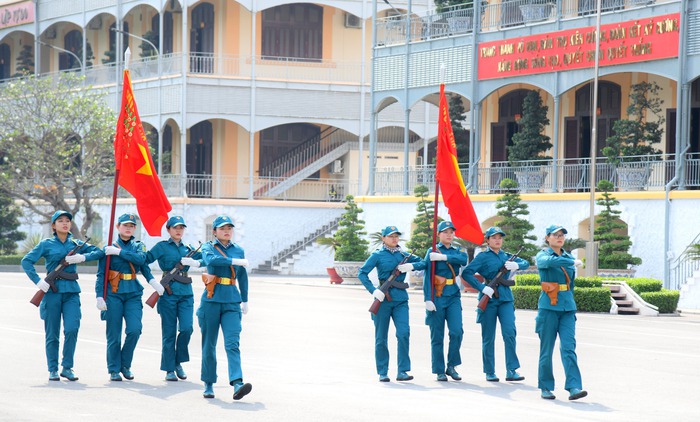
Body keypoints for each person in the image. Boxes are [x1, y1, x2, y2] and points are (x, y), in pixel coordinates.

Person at [21, 210, 103, 381]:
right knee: (52, 333)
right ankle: (52, 369)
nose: (65, 223)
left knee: (72, 329)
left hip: (72, 293)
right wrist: (38, 281)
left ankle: (67, 367)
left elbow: (99, 252)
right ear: (53, 225)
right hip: (51, 292)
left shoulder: (77, 243)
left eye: (67, 220)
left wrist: (82, 257)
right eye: (60, 221)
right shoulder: (46, 244)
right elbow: (26, 261)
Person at [95, 213, 163, 381]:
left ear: (134, 229)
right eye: (125, 225)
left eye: (131, 226)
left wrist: (119, 252)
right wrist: (99, 296)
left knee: (134, 329)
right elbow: (101, 275)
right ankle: (114, 369)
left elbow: (141, 260)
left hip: (132, 293)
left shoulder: (138, 246)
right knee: (114, 333)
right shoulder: (108, 248)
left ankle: (125, 364)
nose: (128, 228)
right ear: (118, 227)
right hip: (113, 293)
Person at [461, 226, 530, 383]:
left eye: (500, 237)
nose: (498, 240)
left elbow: (526, 262)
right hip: (489, 298)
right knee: (488, 337)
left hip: (505, 298)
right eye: (494, 237)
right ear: (487, 240)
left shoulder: (507, 256)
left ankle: (511, 370)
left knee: (510, 333)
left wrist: (517, 265)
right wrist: (482, 288)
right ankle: (490, 371)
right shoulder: (483, 257)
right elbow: (467, 273)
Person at [358, 225, 426, 382]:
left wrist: (411, 266)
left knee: (403, 333)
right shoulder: (377, 255)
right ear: (383, 238)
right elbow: (362, 273)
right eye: (391, 236)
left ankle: (402, 371)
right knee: (381, 337)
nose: (394, 239)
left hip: (400, 299)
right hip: (382, 299)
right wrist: (374, 291)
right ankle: (383, 371)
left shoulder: (404, 254)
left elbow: (424, 263)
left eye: (396, 236)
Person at [198, 215, 252, 400]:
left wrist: (245, 299)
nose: (226, 231)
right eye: (222, 228)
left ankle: (237, 382)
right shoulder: (208, 247)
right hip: (211, 300)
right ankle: (208, 383)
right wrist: (234, 262)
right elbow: (211, 261)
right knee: (209, 344)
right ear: (214, 231)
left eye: (229, 227)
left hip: (231, 301)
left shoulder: (239, 250)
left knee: (232, 343)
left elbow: (242, 277)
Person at [145, 215, 202, 382]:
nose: (178, 230)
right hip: (167, 292)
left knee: (187, 328)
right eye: (175, 227)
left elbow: (206, 259)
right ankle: (169, 369)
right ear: (168, 230)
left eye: (181, 228)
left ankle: (178, 361)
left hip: (186, 294)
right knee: (169, 333)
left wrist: (194, 262)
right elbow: (144, 261)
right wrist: (153, 281)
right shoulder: (161, 247)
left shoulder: (188, 248)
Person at [535, 224, 587, 401]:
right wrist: (570, 261)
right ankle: (546, 386)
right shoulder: (543, 255)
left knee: (568, 347)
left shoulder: (568, 257)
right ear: (547, 238)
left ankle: (574, 386)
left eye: (562, 235)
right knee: (546, 349)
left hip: (567, 308)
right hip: (548, 307)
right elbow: (548, 263)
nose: (559, 237)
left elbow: (570, 285)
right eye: (555, 235)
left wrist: (570, 303)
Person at [423, 221, 468, 382]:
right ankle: (439, 370)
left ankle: (452, 365)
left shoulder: (457, 251)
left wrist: (444, 257)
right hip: (437, 295)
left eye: (451, 232)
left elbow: (463, 260)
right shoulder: (432, 251)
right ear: (439, 234)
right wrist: (427, 298)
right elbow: (427, 276)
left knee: (457, 331)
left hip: (453, 295)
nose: (449, 235)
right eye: (445, 232)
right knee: (437, 335)